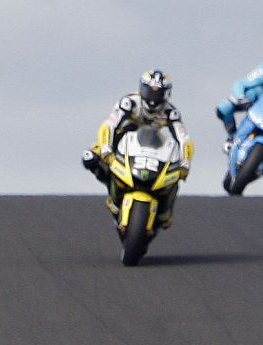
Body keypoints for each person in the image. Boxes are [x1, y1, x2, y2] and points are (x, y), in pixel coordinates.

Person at [82, 70, 193, 229]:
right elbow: (108, 126)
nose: (153, 99)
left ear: (166, 94)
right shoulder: (129, 103)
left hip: (153, 146)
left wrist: (185, 163)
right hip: (122, 139)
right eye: (150, 92)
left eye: (158, 93)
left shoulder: (171, 112)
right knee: (89, 158)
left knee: (175, 176)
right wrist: (106, 150)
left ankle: (165, 212)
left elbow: (184, 140)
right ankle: (113, 191)